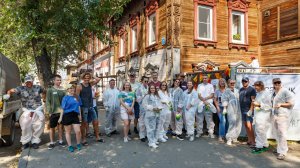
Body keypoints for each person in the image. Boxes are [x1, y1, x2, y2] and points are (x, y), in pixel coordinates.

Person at [4, 75, 44, 149]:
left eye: (30, 81)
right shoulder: (20, 88)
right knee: (25, 126)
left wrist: (45, 100)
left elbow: (45, 92)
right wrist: (8, 95)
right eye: (27, 82)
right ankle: (25, 142)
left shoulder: (38, 87)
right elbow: (10, 90)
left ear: (32, 81)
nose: (28, 83)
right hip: (27, 110)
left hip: (37, 109)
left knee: (38, 125)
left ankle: (35, 141)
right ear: (25, 82)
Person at [76, 72, 103, 146]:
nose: (87, 79)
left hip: (91, 106)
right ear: (83, 78)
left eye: (88, 77)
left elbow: (98, 79)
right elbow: (77, 97)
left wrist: (91, 74)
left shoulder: (90, 84)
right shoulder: (79, 86)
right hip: (84, 107)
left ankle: (97, 137)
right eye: (85, 77)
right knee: (84, 123)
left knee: (96, 122)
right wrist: (78, 109)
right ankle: (83, 139)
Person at [271, 78, 294, 160]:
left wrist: (281, 104)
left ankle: (283, 152)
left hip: (283, 115)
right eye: (275, 83)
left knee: (282, 134)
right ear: (273, 84)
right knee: (277, 133)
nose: (277, 84)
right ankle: (279, 149)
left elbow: (291, 103)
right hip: (275, 115)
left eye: (278, 82)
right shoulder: (273, 92)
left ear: (281, 83)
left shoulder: (285, 91)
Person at [46, 75, 66, 149]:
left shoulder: (63, 90)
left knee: (60, 127)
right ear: (54, 81)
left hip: (61, 112)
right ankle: (52, 142)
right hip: (53, 112)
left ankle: (60, 140)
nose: (59, 81)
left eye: (60, 80)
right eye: (57, 80)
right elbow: (48, 101)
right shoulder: (50, 90)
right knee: (52, 128)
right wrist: (48, 111)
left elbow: (66, 100)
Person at [251, 81, 272, 154]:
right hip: (259, 115)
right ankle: (265, 145)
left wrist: (259, 105)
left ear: (261, 86)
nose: (255, 87)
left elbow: (269, 106)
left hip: (264, 116)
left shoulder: (266, 93)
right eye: (255, 86)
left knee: (260, 131)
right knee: (261, 131)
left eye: (257, 86)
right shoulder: (258, 93)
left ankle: (259, 147)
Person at [61, 84, 82, 152]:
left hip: (75, 115)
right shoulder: (65, 98)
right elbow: (62, 108)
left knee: (78, 131)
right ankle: (70, 146)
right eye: (70, 88)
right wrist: (60, 118)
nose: (72, 89)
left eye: (73, 88)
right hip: (67, 115)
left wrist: (80, 115)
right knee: (68, 132)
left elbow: (79, 106)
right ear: (68, 90)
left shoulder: (77, 96)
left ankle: (78, 144)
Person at [221, 79, 242, 146]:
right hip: (230, 108)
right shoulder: (226, 91)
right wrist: (224, 108)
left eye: (233, 83)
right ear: (228, 84)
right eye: (231, 83)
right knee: (232, 122)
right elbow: (224, 99)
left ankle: (235, 137)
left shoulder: (237, 90)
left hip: (238, 108)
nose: (232, 84)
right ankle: (229, 138)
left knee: (238, 123)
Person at [142, 85, 163, 149]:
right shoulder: (147, 96)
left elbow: (160, 104)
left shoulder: (157, 96)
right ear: (149, 89)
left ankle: (154, 140)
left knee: (156, 127)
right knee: (151, 129)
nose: (152, 89)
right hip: (150, 115)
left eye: (153, 88)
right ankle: (151, 142)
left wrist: (159, 108)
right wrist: (153, 108)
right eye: (151, 88)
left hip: (157, 114)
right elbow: (144, 105)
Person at [196, 74, 216, 138]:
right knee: (199, 119)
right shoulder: (199, 85)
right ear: (202, 79)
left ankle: (211, 132)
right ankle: (199, 132)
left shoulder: (210, 85)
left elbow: (212, 94)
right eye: (203, 78)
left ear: (208, 79)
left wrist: (205, 99)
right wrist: (203, 100)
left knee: (209, 119)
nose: (204, 79)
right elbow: (199, 95)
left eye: (206, 78)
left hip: (208, 104)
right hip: (201, 104)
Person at [239, 77, 256, 147]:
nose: (244, 82)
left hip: (248, 110)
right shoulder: (241, 89)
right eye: (243, 81)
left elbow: (253, 101)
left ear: (248, 82)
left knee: (249, 126)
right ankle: (249, 140)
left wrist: (251, 110)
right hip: (242, 110)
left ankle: (253, 142)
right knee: (246, 126)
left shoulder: (252, 89)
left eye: (245, 81)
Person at [136, 76, 149, 142]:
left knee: (147, 121)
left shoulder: (149, 88)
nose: (146, 82)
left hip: (148, 108)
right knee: (142, 122)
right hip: (142, 108)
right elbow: (138, 99)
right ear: (142, 81)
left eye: (147, 81)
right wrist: (144, 95)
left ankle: (146, 134)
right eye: (145, 81)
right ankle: (142, 135)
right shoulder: (139, 89)